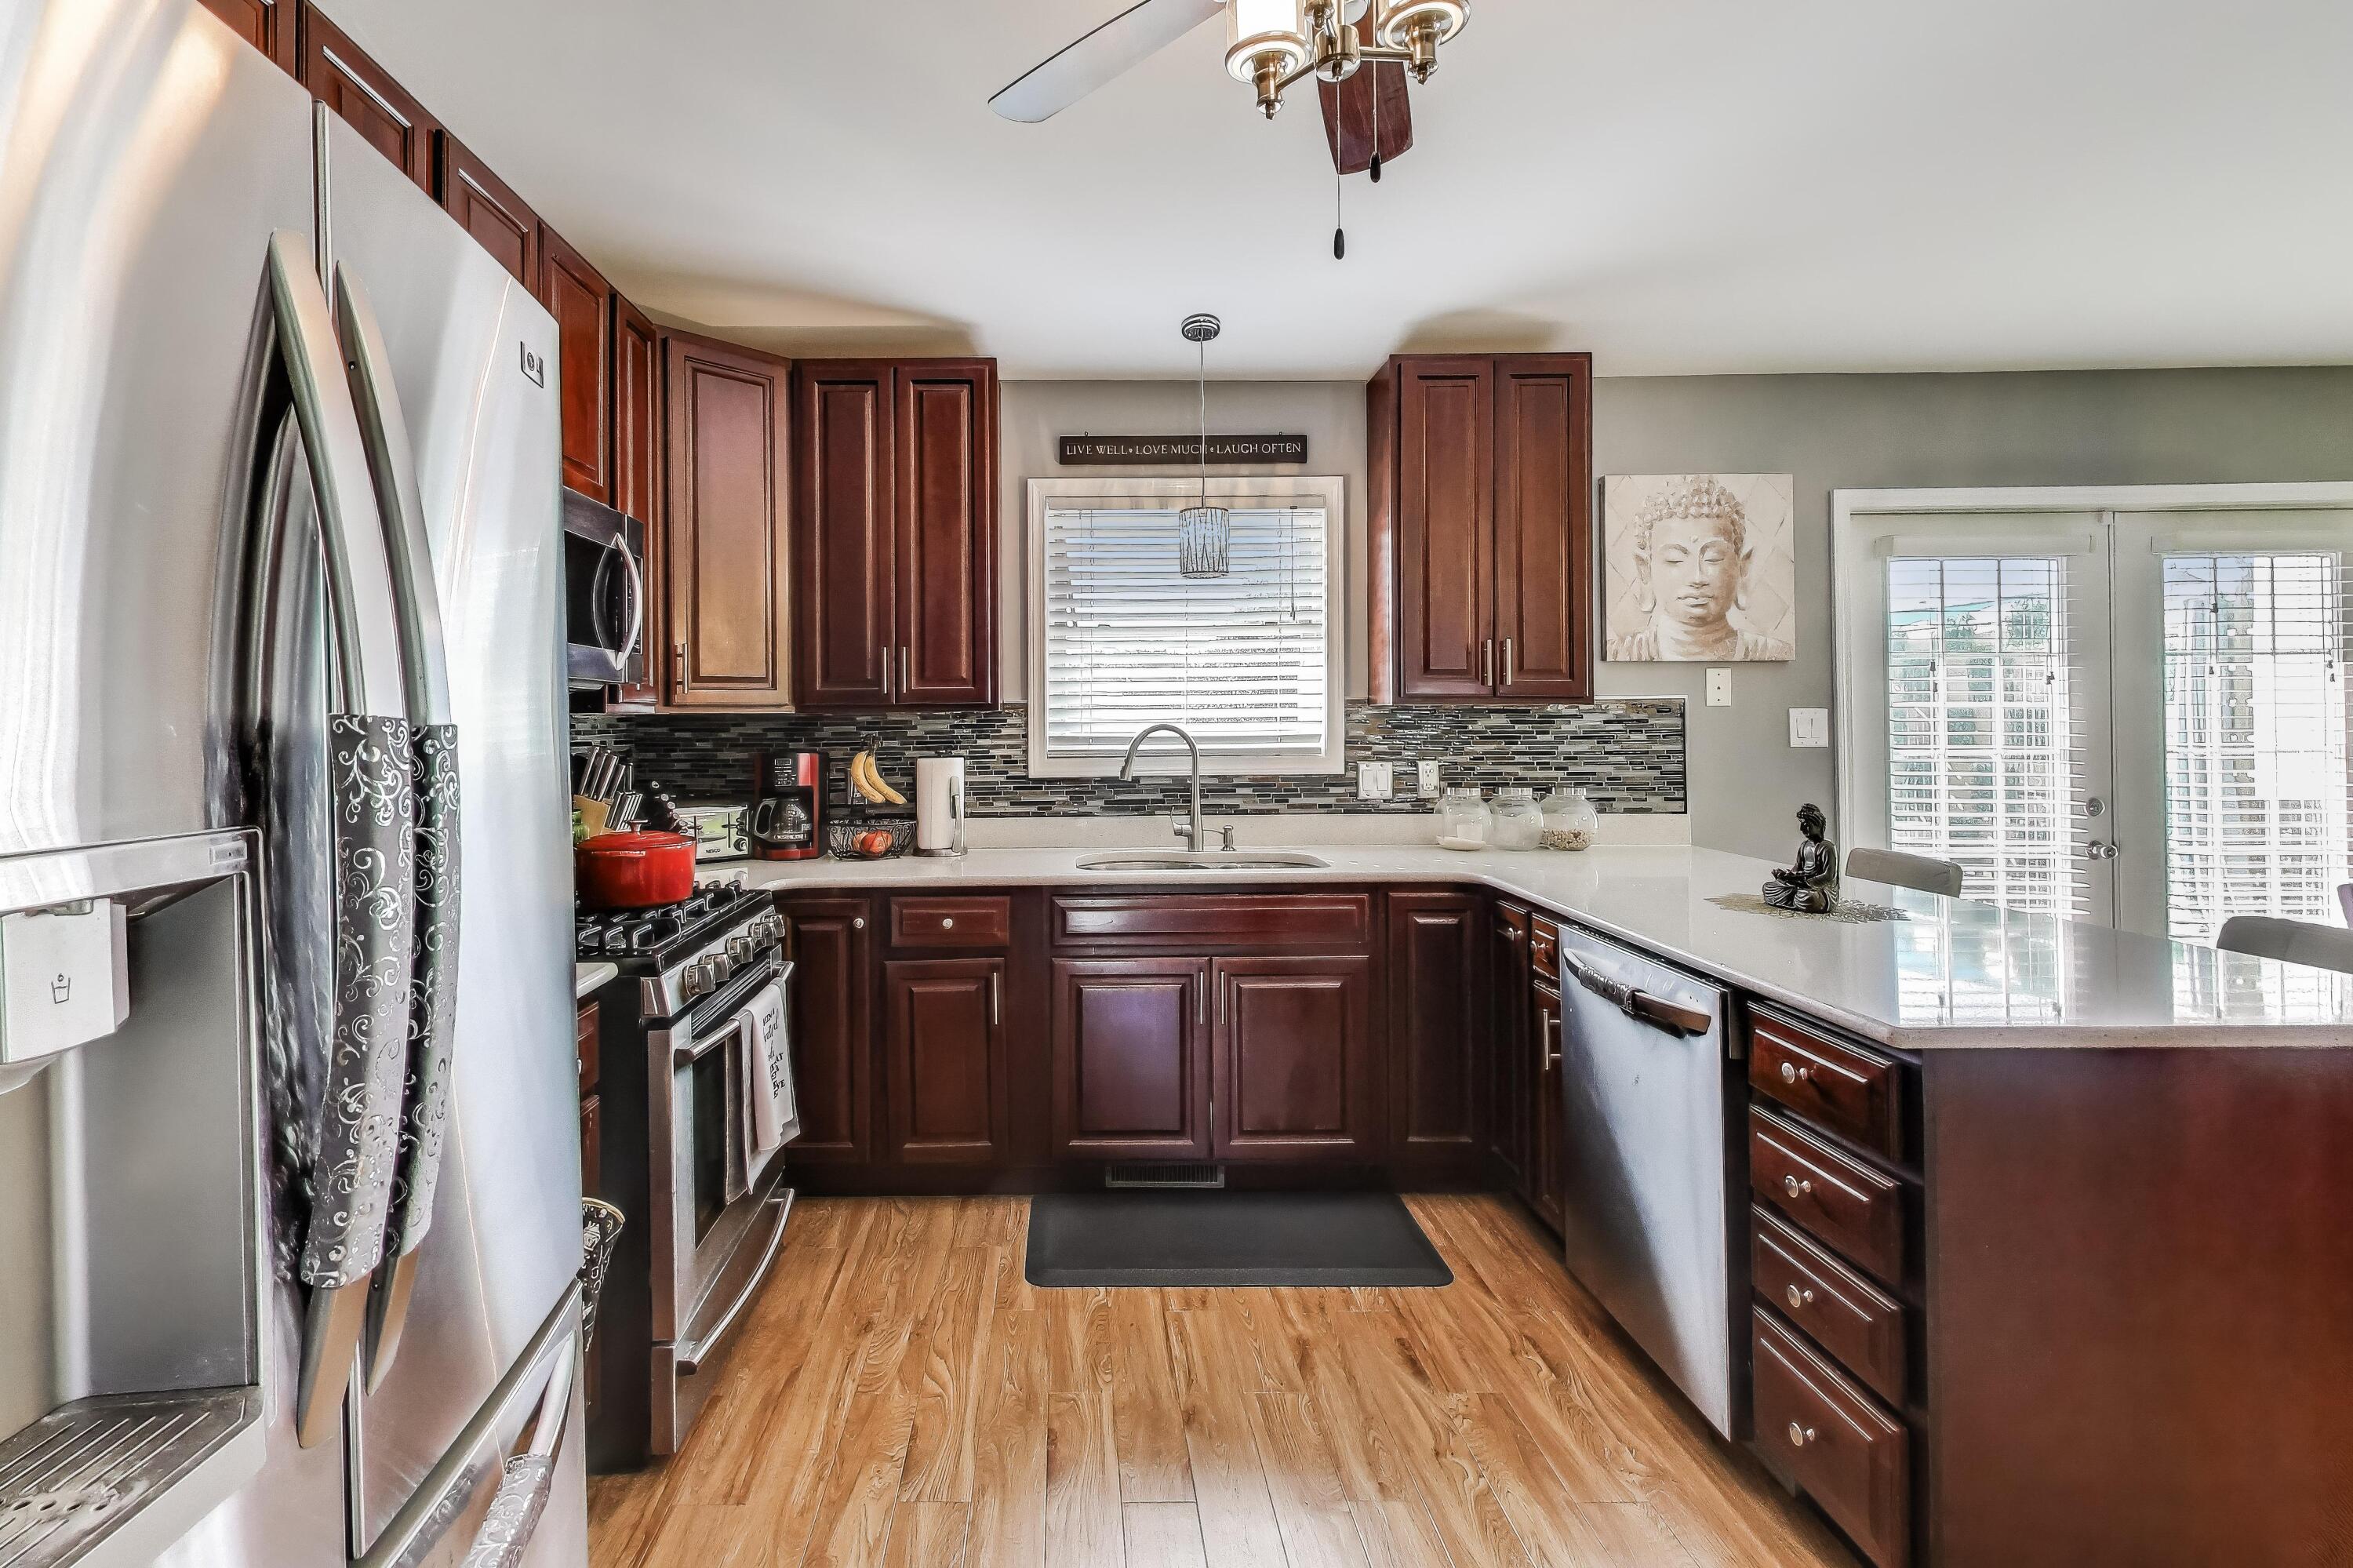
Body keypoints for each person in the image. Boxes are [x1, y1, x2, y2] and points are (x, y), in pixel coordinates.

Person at [1608, 475, 1794, 661]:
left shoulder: (1774, 654)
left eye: (1714, 558)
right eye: (1675, 560)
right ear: (1645, 571)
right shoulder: (1619, 654)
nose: (1697, 578)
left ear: (1741, 568)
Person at [1764, 803, 1840, 913]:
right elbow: (1798, 868)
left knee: (1807, 897)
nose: (1801, 828)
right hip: (1801, 885)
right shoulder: (1804, 846)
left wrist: (1806, 882)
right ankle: (1794, 899)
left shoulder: (1827, 847)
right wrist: (1786, 876)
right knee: (1769, 888)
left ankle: (1796, 900)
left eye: (1806, 824)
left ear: (1817, 824)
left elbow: (1828, 876)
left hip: (1820, 890)